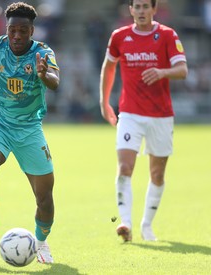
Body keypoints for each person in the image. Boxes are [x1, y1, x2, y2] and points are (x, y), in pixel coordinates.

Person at [0, 2, 60, 264]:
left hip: (29, 129)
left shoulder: (42, 52)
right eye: (12, 30)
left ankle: (41, 243)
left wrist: (44, 75)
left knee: (44, 196)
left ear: (32, 30)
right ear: (6, 29)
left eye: (23, 31)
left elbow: (54, 81)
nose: (16, 36)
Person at [99, 0, 188, 242]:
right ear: (130, 10)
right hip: (129, 113)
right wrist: (104, 102)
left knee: (157, 174)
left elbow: (182, 70)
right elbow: (109, 67)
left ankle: (146, 225)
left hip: (160, 115)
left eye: (145, 7)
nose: (140, 11)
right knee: (125, 167)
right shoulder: (120, 36)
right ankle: (125, 223)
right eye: (136, 7)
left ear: (154, 9)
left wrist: (162, 72)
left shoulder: (168, 35)